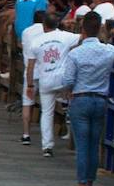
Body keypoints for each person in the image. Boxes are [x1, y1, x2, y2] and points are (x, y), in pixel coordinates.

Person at [57, 11, 114, 186]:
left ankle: (81, 185)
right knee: (94, 144)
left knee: (82, 145)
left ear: (82, 30)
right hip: (100, 99)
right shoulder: (109, 50)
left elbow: (67, 80)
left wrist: (68, 89)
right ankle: (89, 183)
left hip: (80, 99)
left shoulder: (75, 53)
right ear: (100, 29)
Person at [29, 11, 80, 158]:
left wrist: (30, 85)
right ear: (57, 24)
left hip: (45, 80)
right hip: (63, 79)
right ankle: (75, 138)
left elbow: (31, 66)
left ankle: (47, 146)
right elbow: (84, 37)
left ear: (44, 26)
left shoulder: (36, 41)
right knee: (73, 105)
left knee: (47, 113)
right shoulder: (66, 36)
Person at [19, 10, 46, 145]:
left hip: (30, 71)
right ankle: (46, 137)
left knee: (27, 103)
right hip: (45, 71)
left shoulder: (26, 32)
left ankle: (26, 134)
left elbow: (23, 46)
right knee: (47, 106)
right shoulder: (49, 31)